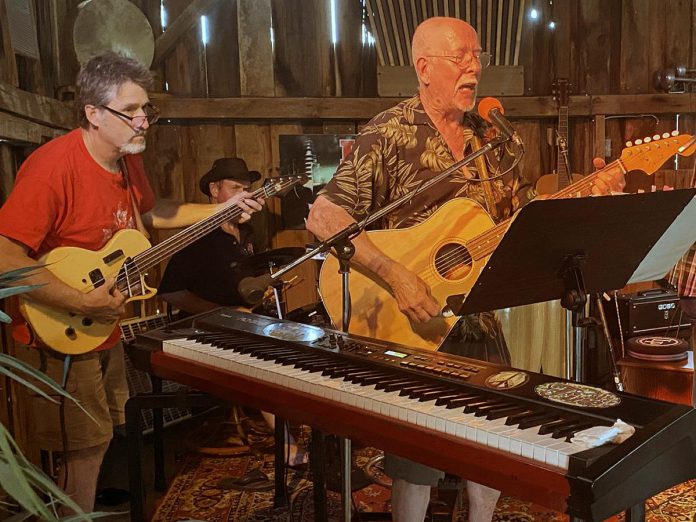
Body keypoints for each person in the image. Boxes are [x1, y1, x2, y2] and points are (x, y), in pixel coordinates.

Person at [306, 17, 625, 522]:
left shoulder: (491, 141)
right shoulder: (387, 133)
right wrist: (396, 274)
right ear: (424, 67)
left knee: (491, 445)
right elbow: (324, 216)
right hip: (409, 323)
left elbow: (519, 224)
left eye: (478, 57)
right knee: (415, 459)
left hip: (479, 317)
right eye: (461, 57)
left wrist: (588, 195)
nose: (474, 67)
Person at [0, 52, 263, 514]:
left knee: (99, 439)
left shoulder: (126, 160)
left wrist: (224, 209)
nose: (144, 121)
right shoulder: (52, 167)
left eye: (147, 111)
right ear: (93, 113)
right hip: (62, 324)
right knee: (84, 445)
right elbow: (4, 256)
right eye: (132, 111)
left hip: (101, 321)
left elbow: (153, 213)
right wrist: (81, 298)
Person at [158, 156, 307, 467]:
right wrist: (224, 312)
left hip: (241, 319)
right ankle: (287, 446)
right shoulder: (196, 237)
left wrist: (259, 293)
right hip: (201, 327)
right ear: (214, 189)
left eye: (247, 189)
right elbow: (172, 292)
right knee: (262, 357)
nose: (245, 195)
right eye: (236, 188)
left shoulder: (247, 233)